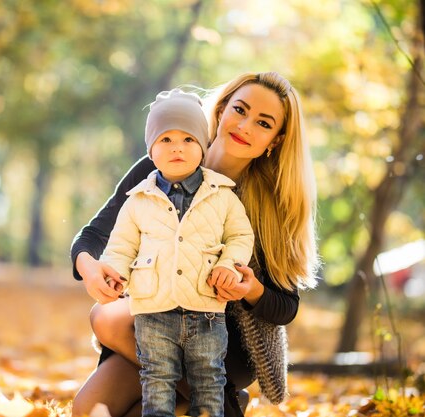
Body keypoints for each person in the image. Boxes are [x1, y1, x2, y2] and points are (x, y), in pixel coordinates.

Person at [70, 72, 319, 417]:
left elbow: (286, 307)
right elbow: (93, 236)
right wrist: (89, 266)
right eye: (240, 110)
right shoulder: (162, 163)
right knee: (90, 409)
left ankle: (219, 398)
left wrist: (251, 289)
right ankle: (219, 405)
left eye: (263, 123)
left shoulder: (272, 208)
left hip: (222, 339)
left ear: (275, 141)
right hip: (152, 324)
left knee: (108, 320)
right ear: (221, 110)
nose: (245, 126)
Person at [98, 88, 254, 417]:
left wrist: (230, 264)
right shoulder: (139, 199)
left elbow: (240, 235)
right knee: (156, 379)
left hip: (206, 310)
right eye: (165, 140)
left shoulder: (222, 195)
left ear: (203, 145)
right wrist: (115, 271)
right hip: (153, 311)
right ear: (151, 150)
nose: (177, 148)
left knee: (208, 379)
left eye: (188, 139)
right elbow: (121, 244)